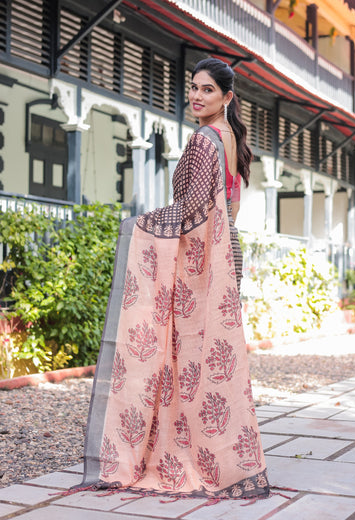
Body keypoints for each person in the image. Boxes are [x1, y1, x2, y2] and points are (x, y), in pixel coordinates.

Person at [79, 57, 270, 502]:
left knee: (183, 358)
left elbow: (188, 213)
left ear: (227, 97)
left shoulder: (205, 139)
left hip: (202, 256)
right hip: (225, 251)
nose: (196, 96)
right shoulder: (231, 139)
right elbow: (230, 210)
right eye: (193, 87)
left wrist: (139, 226)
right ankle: (217, 456)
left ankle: (184, 455)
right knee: (207, 359)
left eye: (206, 90)